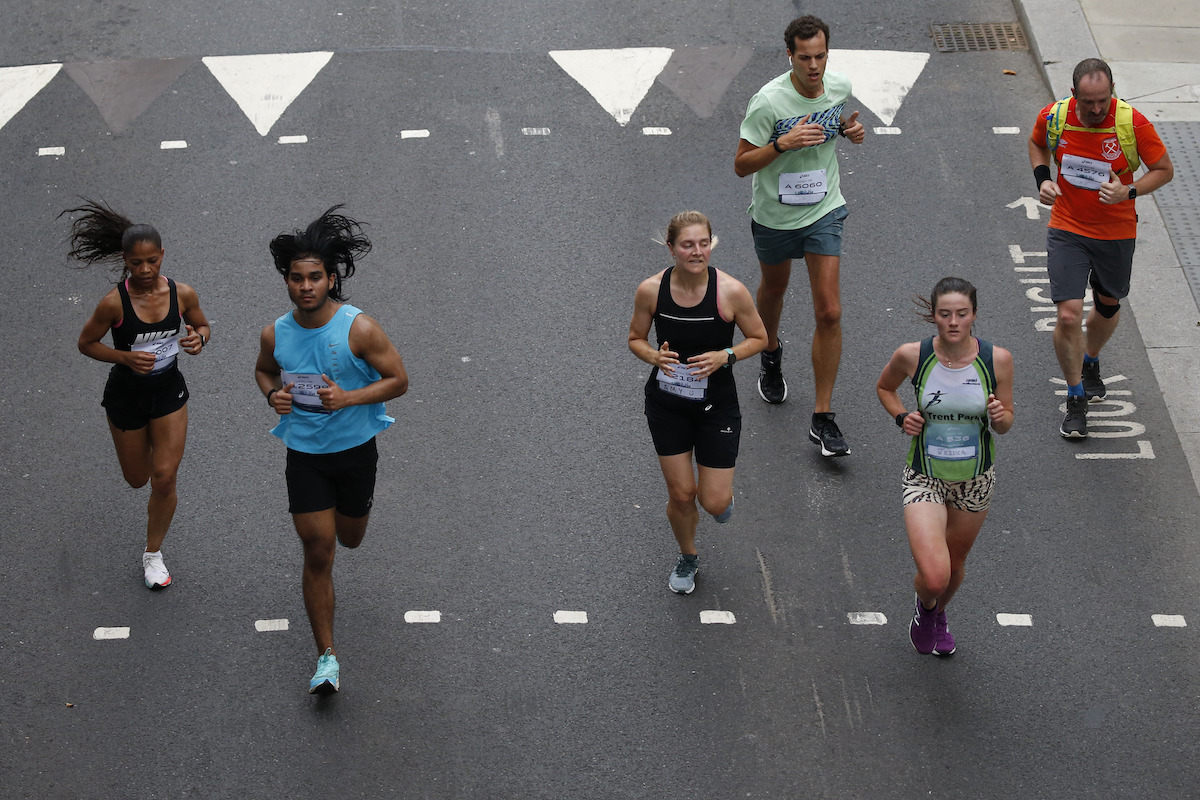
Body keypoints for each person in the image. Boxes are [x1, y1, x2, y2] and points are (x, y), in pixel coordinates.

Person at [254, 206, 409, 694]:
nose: (305, 286)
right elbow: (263, 371)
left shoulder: (358, 328)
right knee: (318, 550)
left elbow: (399, 381)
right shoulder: (275, 333)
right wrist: (272, 395)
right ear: (286, 281)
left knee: (350, 538)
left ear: (331, 278)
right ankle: (327, 658)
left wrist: (347, 397)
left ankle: (349, 523)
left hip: (355, 452)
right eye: (296, 278)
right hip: (304, 454)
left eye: (315, 277)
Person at [734, 14, 865, 457]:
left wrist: (850, 131)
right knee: (775, 287)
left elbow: (836, 122)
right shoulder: (767, 102)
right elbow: (741, 164)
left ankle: (822, 416)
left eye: (820, 56)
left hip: (824, 209)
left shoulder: (839, 86)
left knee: (829, 310)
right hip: (774, 215)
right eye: (805, 58)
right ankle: (770, 351)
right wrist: (781, 145)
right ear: (789, 55)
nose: (814, 66)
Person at [1028, 57, 1173, 438]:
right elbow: (1036, 143)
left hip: (1116, 232)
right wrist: (1042, 179)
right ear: (1073, 94)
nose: (1096, 109)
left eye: (1103, 101)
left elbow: (1163, 170)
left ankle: (1091, 359)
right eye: (1089, 101)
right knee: (1068, 316)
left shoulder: (1132, 123)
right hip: (1068, 227)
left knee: (1107, 305)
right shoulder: (1055, 116)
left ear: (1112, 93)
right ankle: (1075, 397)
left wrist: (1128, 190)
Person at [69, 200, 211, 590]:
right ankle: (147, 446)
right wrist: (124, 357)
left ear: (162, 256)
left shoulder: (182, 294)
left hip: (168, 392)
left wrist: (200, 338)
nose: (146, 271)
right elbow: (86, 343)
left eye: (152, 261)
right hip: (126, 396)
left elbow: (201, 324)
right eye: (136, 264)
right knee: (137, 479)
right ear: (125, 261)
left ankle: (153, 554)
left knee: (163, 478)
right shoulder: (114, 302)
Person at [628, 211, 768, 594]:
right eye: (688, 245)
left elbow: (760, 338)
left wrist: (727, 355)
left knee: (714, 501)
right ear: (671, 248)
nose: (697, 251)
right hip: (667, 403)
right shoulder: (651, 290)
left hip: (716, 405)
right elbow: (636, 338)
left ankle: (720, 500)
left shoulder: (730, 292)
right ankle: (688, 556)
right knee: (681, 494)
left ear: (711, 244)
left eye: (703, 243)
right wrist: (654, 357)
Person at [876, 278, 1013, 655]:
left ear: (974, 316)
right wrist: (902, 416)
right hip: (925, 476)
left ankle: (937, 614)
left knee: (953, 567)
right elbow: (885, 388)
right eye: (945, 314)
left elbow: (1005, 423)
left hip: (975, 480)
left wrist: (1000, 416)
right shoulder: (913, 355)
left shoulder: (996, 359)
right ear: (933, 316)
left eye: (961, 314)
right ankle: (926, 608)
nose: (953, 321)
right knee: (934, 576)